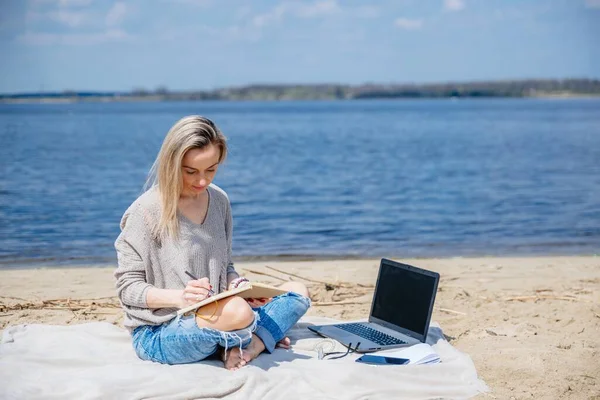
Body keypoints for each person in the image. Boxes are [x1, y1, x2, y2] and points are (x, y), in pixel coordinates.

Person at [114, 115, 310, 369]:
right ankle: (251, 336)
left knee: (297, 291)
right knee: (240, 313)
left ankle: (251, 344)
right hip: (162, 331)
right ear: (171, 164)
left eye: (211, 169)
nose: (203, 181)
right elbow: (127, 290)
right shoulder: (144, 212)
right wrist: (180, 298)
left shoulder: (219, 201)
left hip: (219, 312)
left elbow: (225, 266)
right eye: (191, 171)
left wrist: (237, 284)